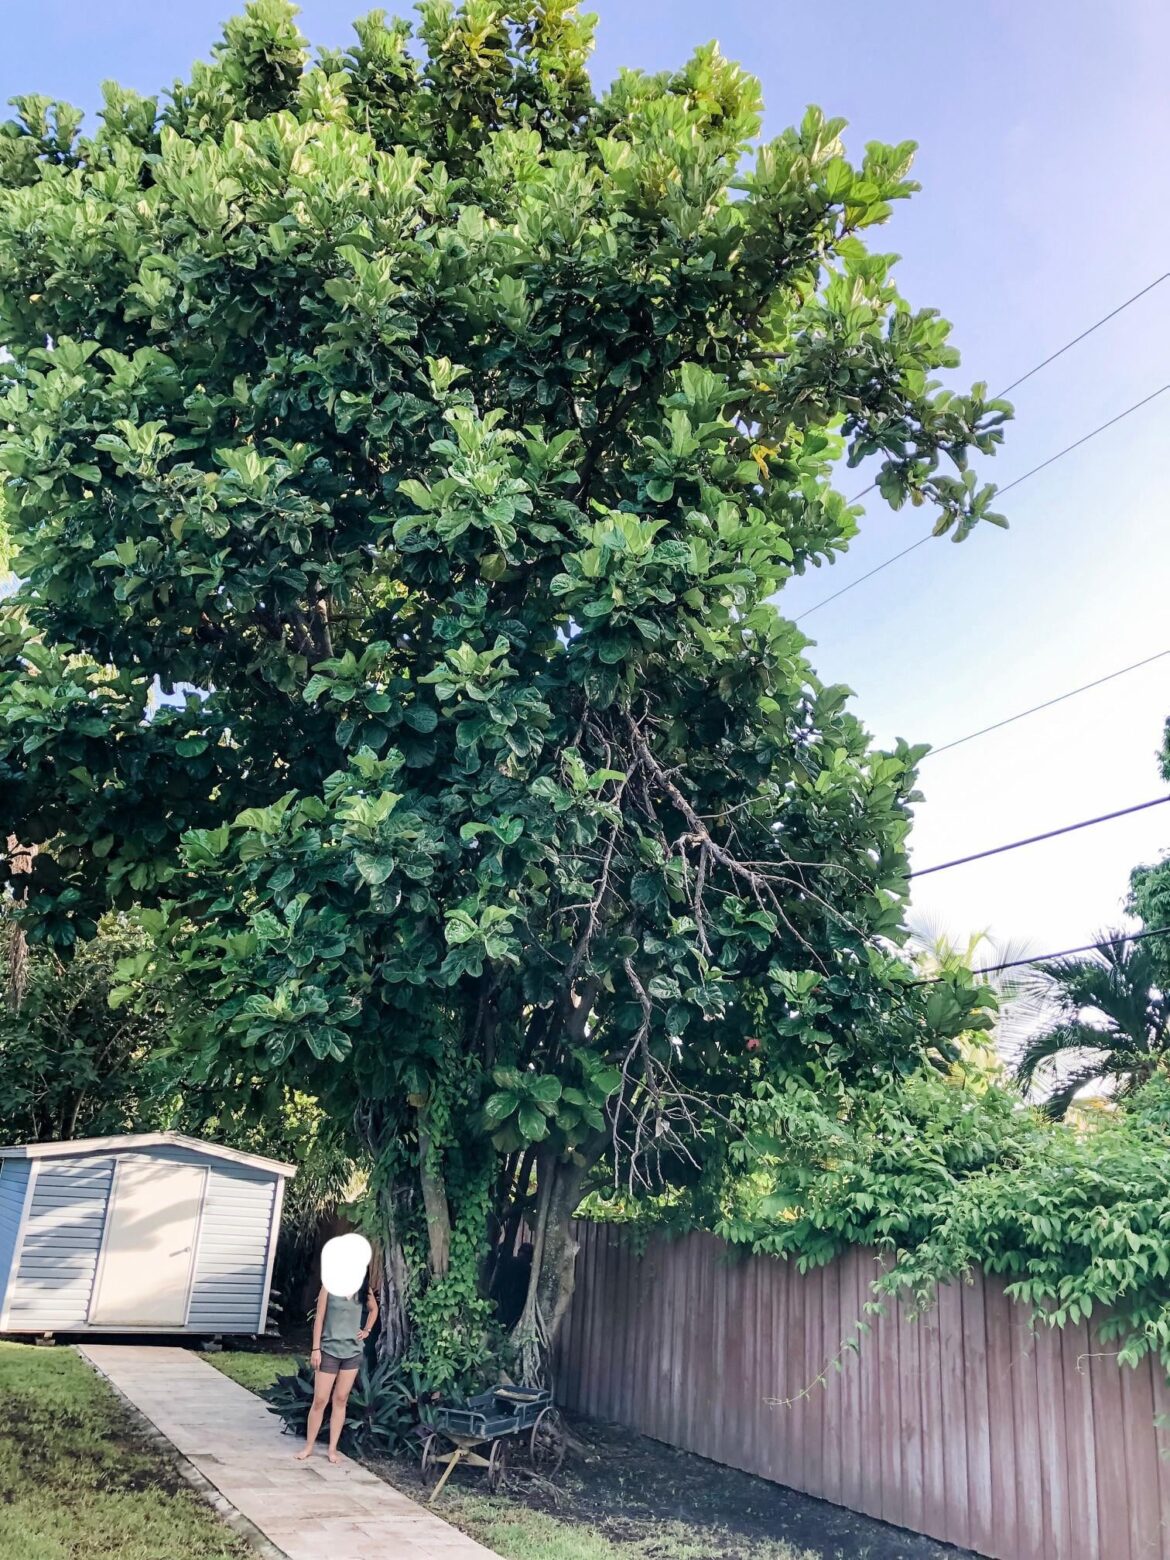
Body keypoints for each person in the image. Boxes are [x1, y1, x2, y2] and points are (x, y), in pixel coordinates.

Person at [295, 1271, 378, 1464]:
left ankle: (332, 1449)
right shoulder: (329, 1287)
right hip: (328, 1350)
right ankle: (309, 1447)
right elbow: (319, 1319)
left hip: (352, 1352)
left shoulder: (363, 1289)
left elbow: (374, 1310)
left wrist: (366, 1330)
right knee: (320, 1400)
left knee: (341, 1399)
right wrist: (316, 1349)